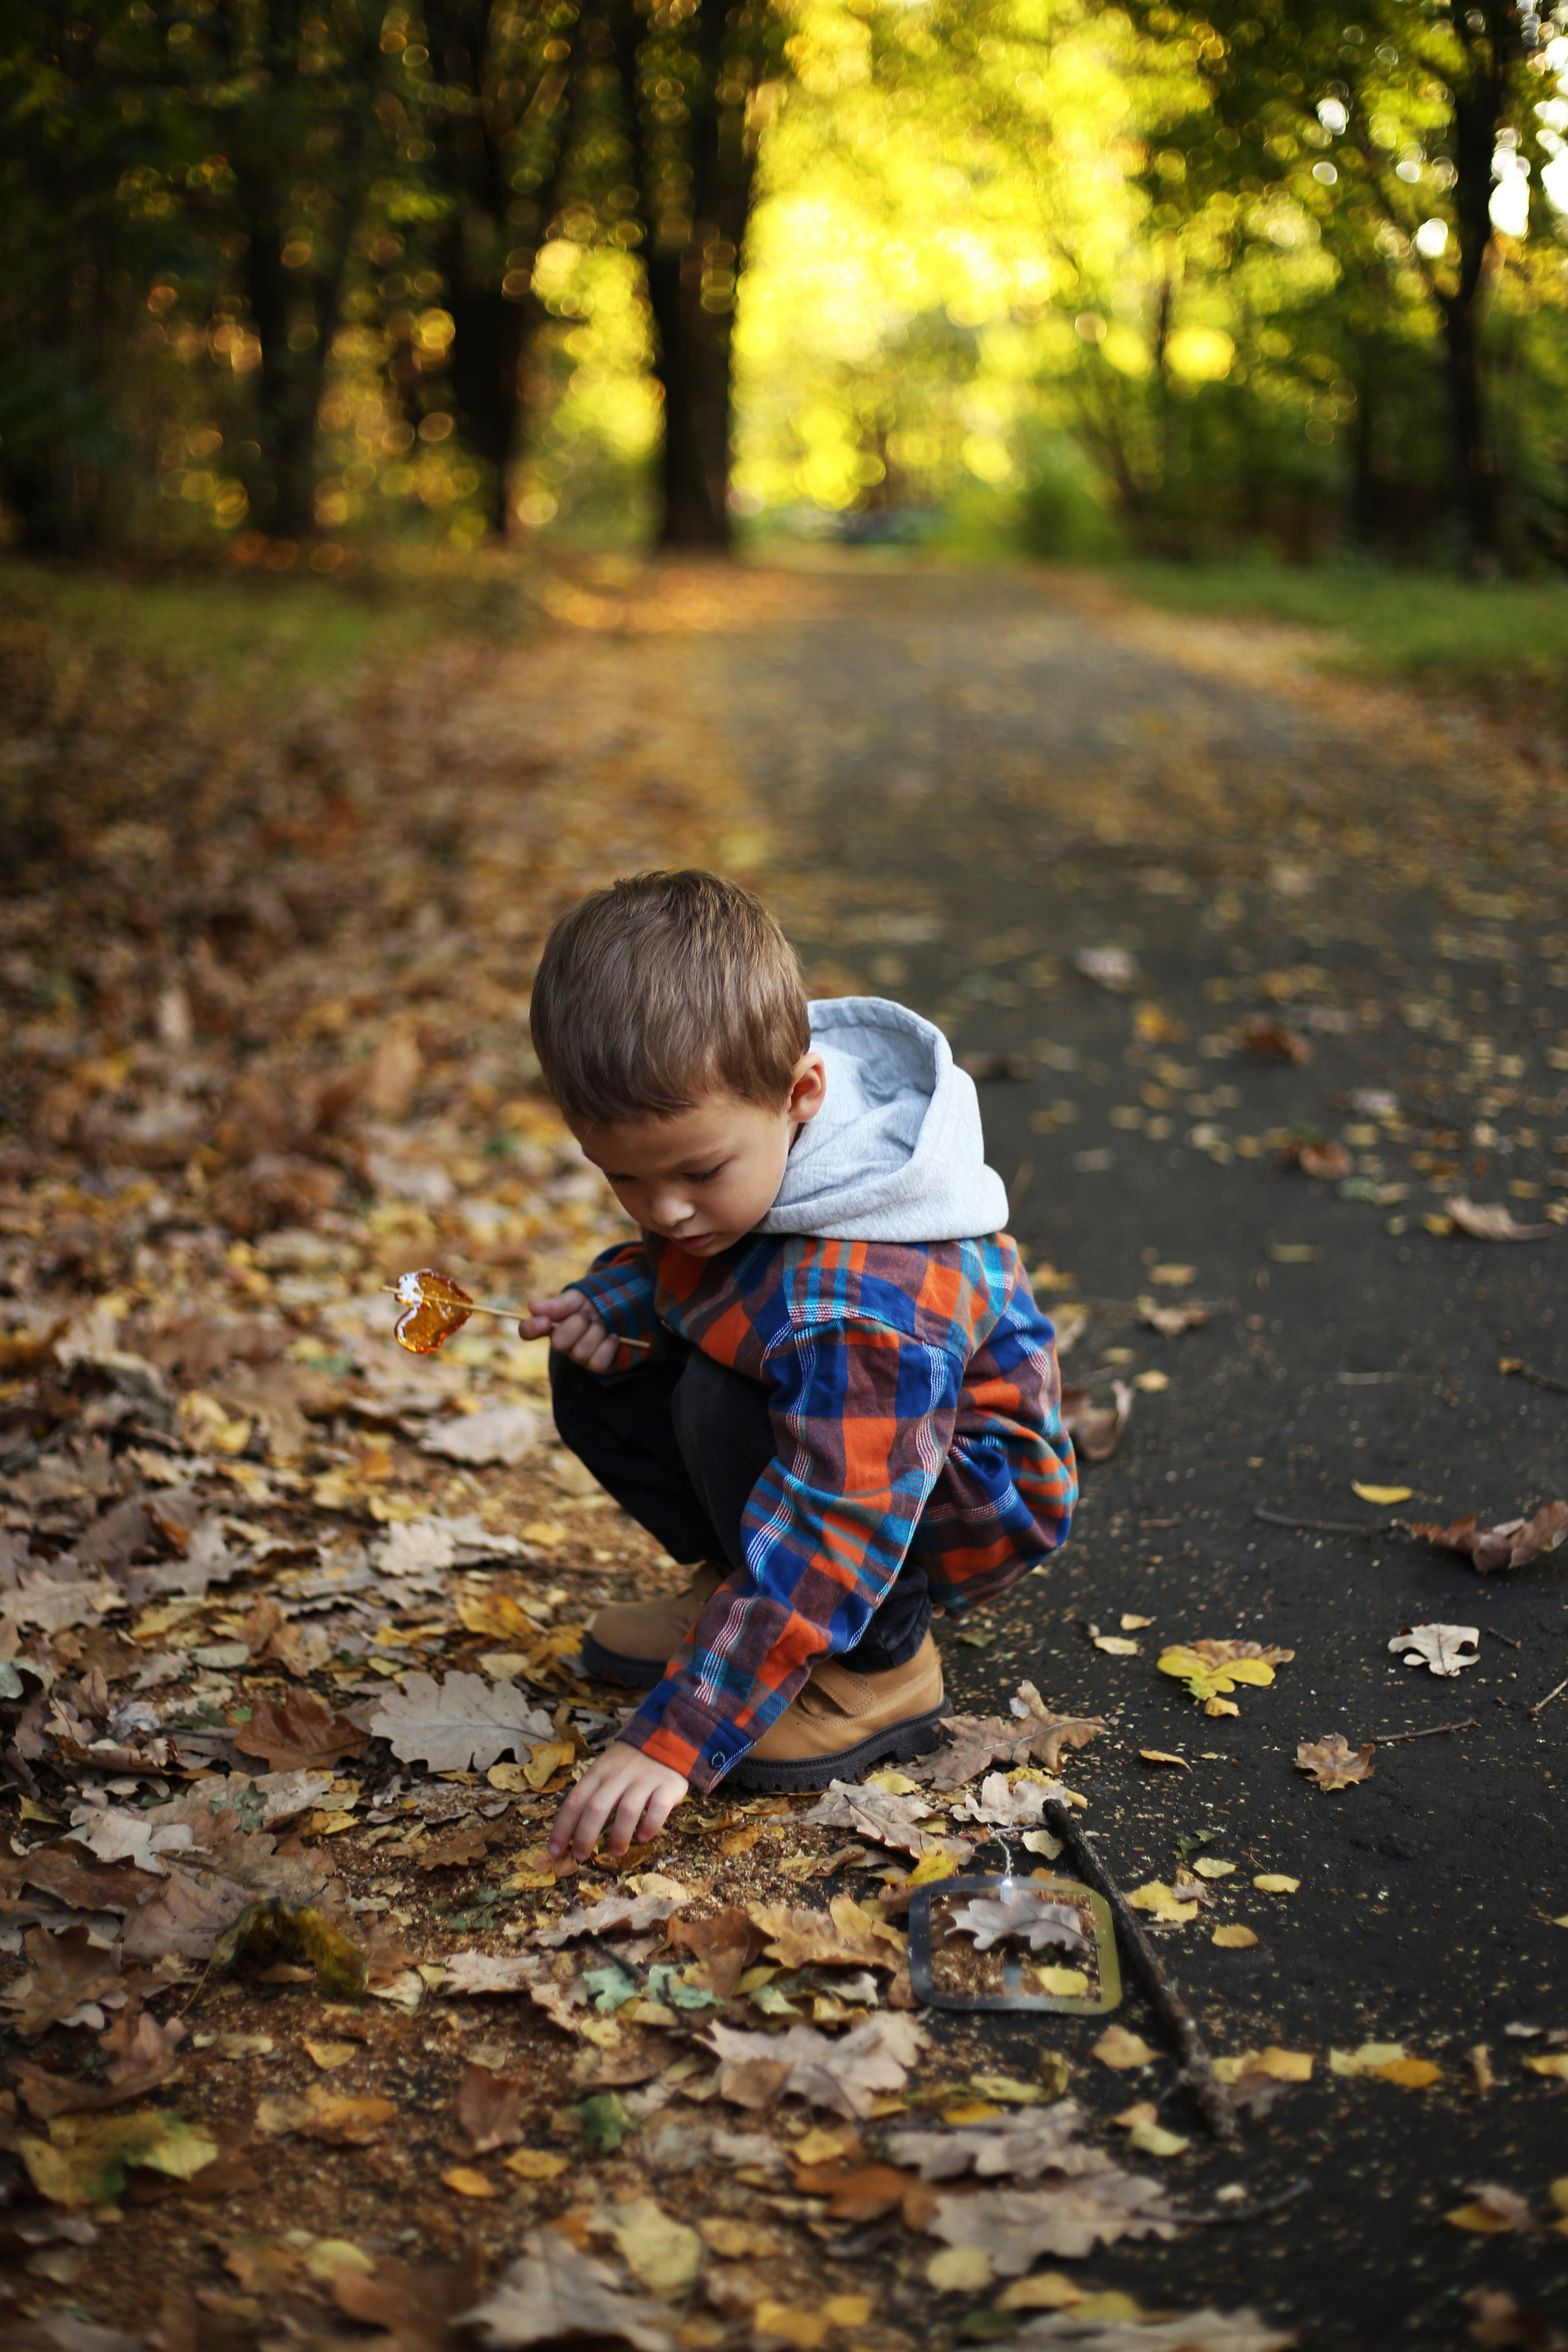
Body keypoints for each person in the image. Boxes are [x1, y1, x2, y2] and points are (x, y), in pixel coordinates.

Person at [520, 870, 1076, 1862]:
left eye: (696, 1173)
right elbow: (707, 1264)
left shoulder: (872, 1299)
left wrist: (686, 1732)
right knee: (607, 1368)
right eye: (624, 1179)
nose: (665, 1212)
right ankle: (740, 1591)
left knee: (728, 1401)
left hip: (945, 1493)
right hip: (845, 1433)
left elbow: (840, 1507)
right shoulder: (750, 1141)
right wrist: (617, 1300)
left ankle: (875, 1661)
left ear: (802, 1095)